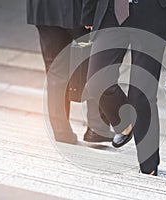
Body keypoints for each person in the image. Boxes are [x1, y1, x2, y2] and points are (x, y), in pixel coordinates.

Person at [82, 0, 166, 175]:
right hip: (111, 13)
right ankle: (125, 121)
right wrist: (88, 13)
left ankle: (149, 167)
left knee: (141, 95)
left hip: (152, 17)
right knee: (97, 81)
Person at [26, 0, 114, 144]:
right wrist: (90, 12)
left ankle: (61, 132)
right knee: (96, 63)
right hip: (77, 9)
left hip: (42, 8)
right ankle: (97, 127)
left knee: (55, 70)